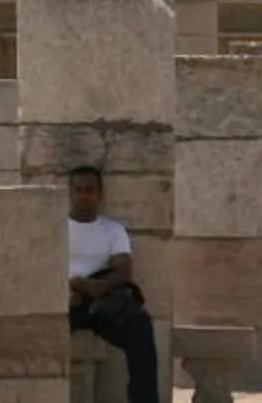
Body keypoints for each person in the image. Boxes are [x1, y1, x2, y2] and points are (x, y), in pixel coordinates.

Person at [65, 164, 159, 403]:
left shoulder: (112, 230)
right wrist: (76, 285)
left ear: (99, 193)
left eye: (89, 190)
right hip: (64, 300)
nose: (84, 196)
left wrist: (95, 287)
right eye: (78, 190)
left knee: (140, 325)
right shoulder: (56, 228)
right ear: (70, 193)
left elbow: (123, 270)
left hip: (100, 299)